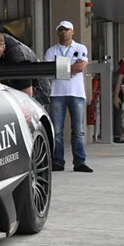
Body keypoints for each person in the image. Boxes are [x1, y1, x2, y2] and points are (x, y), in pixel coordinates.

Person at [44, 20, 92, 172]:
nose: (63, 32)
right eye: (61, 30)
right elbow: (48, 70)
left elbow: (81, 66)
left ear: (73, 31)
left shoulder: (80, 47)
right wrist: (72, 67)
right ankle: (58, 162)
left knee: (78, 130)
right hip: (57, 93)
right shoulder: (51, 51)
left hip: (76, 93)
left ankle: (79, 162)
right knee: (57, 131)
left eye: (66, 30)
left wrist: (61, 68)